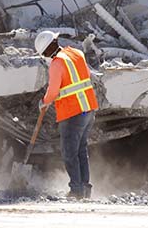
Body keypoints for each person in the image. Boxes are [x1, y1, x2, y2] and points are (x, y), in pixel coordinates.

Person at [35, 30, 98, 199]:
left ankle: (76, 190)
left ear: (47, 51)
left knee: (70, 153)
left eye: (44, 54)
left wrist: (45, 102)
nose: (45, 57)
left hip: (72, 112)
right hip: (89, 108)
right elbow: (84, 77)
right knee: (81, 151)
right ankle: (85, 189)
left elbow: (53, 90)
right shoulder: (76, 53)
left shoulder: (57, 63)